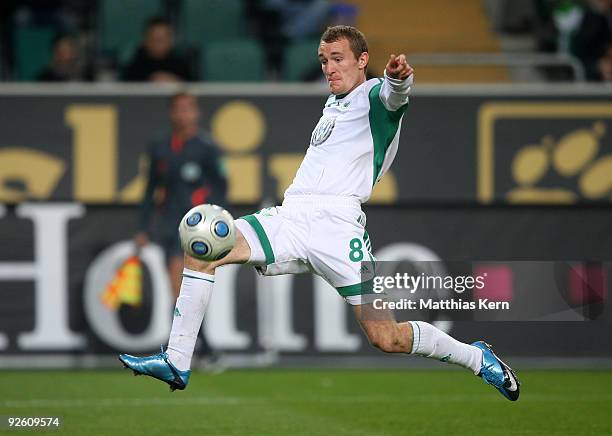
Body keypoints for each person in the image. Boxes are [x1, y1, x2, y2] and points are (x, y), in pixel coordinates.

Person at [120, 25, 520, 402]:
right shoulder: (333, 104)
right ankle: (177, 361)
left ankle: (475, 356)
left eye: (338, 58)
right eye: (324, 59)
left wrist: (399, 79)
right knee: (201, 248)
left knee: (386, 337)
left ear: (362, 60)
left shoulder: (374, 96)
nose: (329, 67)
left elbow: (395, 97)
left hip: (338, 229)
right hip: (291, 217)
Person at [134, 91, 228, 298]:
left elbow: (221, 187)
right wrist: (143, 227)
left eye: (187, 110)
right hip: (170, 222)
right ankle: (186, 329)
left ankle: (192, 329)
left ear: (196, 113)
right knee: (176, 283)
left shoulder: (208, 148)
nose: (183, 115)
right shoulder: (159, 148)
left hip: (199, 225)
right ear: (171, 113)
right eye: (178, 110)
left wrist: (217, 221)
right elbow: (150, 190)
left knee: (195, 282)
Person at [123, 17, 193, 83]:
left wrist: (176, 83)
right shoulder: (134, 68)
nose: (158, 43)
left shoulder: (181, 66)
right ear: (146, 40)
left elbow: (195, 89)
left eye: (162, 39)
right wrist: (150, 81)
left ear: (171, 40)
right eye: (154, 38)